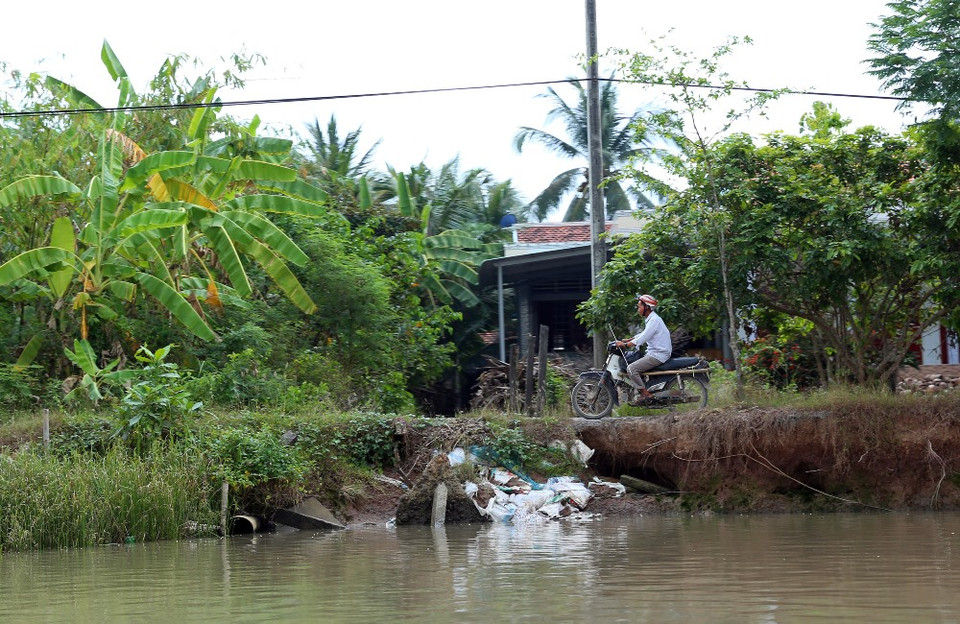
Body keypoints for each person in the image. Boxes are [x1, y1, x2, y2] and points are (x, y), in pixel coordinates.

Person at [615, 294, 671, 402]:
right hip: (655, 353)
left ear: (646, 307)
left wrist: (626, 345)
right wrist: (629, 339)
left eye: (639, 306)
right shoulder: (652, 319)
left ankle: (645, 394)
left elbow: (643, 338)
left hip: (658, 355)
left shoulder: (654, 320)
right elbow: (644, 334)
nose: (638, 309)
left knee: (631, 369)